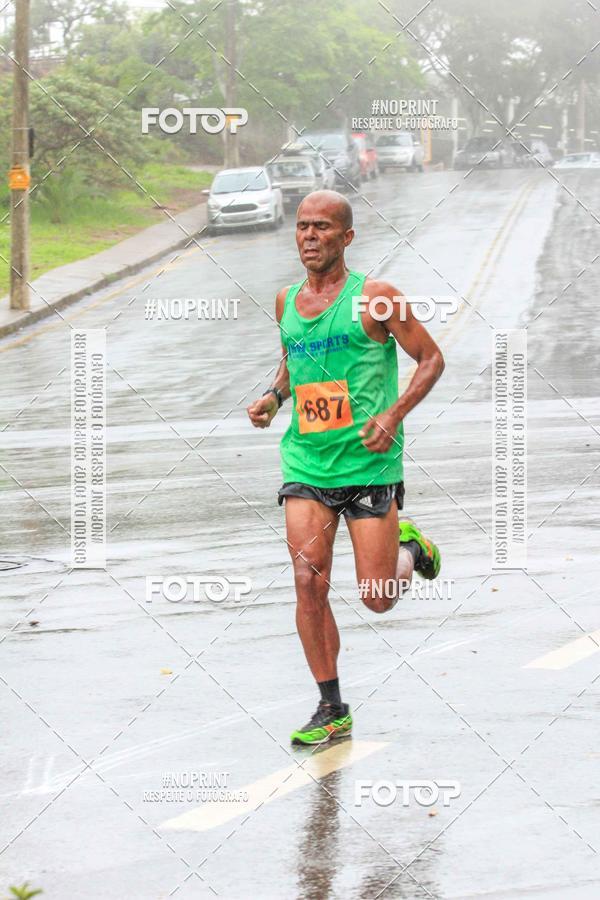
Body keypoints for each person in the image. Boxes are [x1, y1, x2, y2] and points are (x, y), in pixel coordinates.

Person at [247, 190, 444, 746]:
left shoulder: (375, 299)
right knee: (308, 583)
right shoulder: (286, 301)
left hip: (369, 465)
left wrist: (393, 413)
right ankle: (331, 706)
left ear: (346, 237)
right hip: (306, 462)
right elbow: (294, 362)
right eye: (303, 227)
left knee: (377, 597)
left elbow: (431, 359)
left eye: (322, 228)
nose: (309, 236)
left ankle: (409, 548)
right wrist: (272, 398)